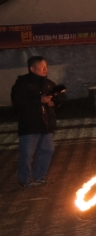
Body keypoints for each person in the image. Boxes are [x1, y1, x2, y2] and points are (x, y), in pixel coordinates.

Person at [11, 56, 62, 188]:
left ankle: (40, 177)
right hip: (30, 124)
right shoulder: (22, 84)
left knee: (48, 150)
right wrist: (39, 100)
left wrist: (54, 102)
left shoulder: (48, 83)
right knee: (27, 153)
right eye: (41, 67)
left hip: (46, 124)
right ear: (32, 69)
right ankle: (25, 179)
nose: (45, 69)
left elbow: (59, 99)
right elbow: (18, 102)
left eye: (46, 67)